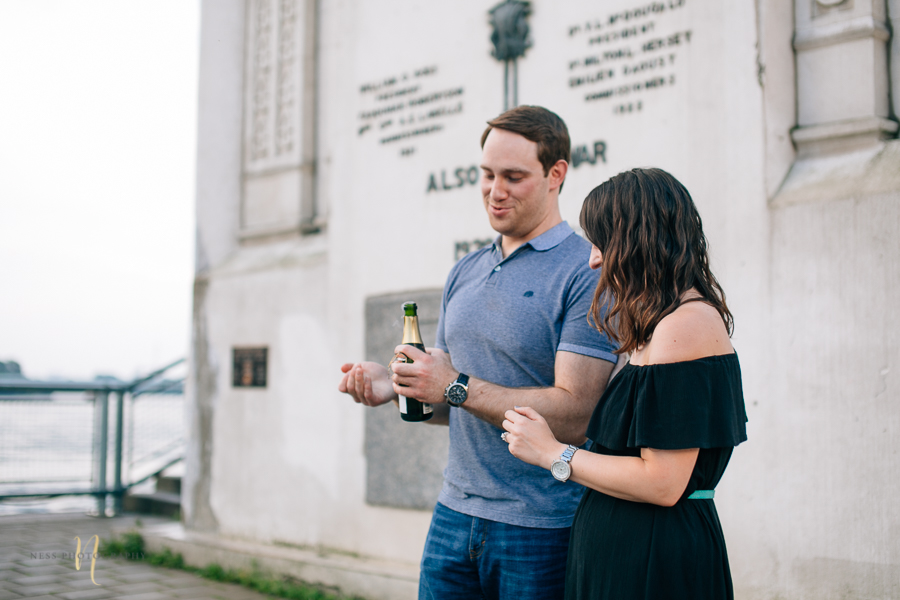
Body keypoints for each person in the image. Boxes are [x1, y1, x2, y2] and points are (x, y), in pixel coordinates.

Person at [338, 106, 619, 600]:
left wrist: (455, 385)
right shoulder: (464, 272)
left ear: (557, 174)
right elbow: (451, 402)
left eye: (514, 176)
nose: (495, 190)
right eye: (486, 174)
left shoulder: (586, 271)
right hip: (453, 515)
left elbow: (579, 414)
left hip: (541, 526)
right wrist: (398, 386)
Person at [500, 167, 748, 600]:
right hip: (624, 552)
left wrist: (552, 453)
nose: (593, 258)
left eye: (600, 242)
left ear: (638, 240)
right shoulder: (662, 326)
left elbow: (663, 483)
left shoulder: (685, 327)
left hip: (654, 560)